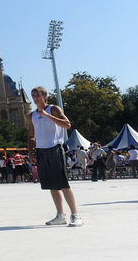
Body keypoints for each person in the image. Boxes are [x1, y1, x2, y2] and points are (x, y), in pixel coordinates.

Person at [27, 86, 82, 227]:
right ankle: (60, 215)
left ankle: (75, 215)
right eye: (33, 95)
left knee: (63, 183)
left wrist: (47, 115)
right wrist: (30, 151)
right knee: (52, 185)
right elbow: (31, 135)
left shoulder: (53, 109)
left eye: (38, 95)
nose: (35, 98)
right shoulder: (32, 115)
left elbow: (67, 125)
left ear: (44, 96)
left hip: (55, 148)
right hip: (41, 151)